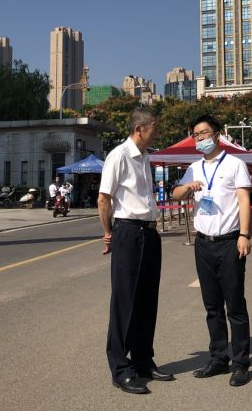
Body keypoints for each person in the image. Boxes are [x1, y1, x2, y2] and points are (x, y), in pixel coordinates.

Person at [172, 114, 252, 387]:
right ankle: (219, 358)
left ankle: (240, 363)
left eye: (204, 133)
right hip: (203, 243)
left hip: (230, 242)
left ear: (217, 135)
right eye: (196, 135)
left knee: (235, 305)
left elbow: (243, 199)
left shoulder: (235, 164)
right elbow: (175, 194)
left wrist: (244, 234)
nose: (200, 138)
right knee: (212, 306)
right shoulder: (194, 167)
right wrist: (187, 187)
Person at [98, 107, 173, 395]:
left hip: (149, 232)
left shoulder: (145, 157)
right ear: (139, 129)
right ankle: (120, 367)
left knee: (146, 300)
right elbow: (104, 199)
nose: (157, 131)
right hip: (128, 232)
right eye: (155, 127)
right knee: (125, 301)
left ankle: (143, 360)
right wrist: (109, 233)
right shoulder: (118, 155)